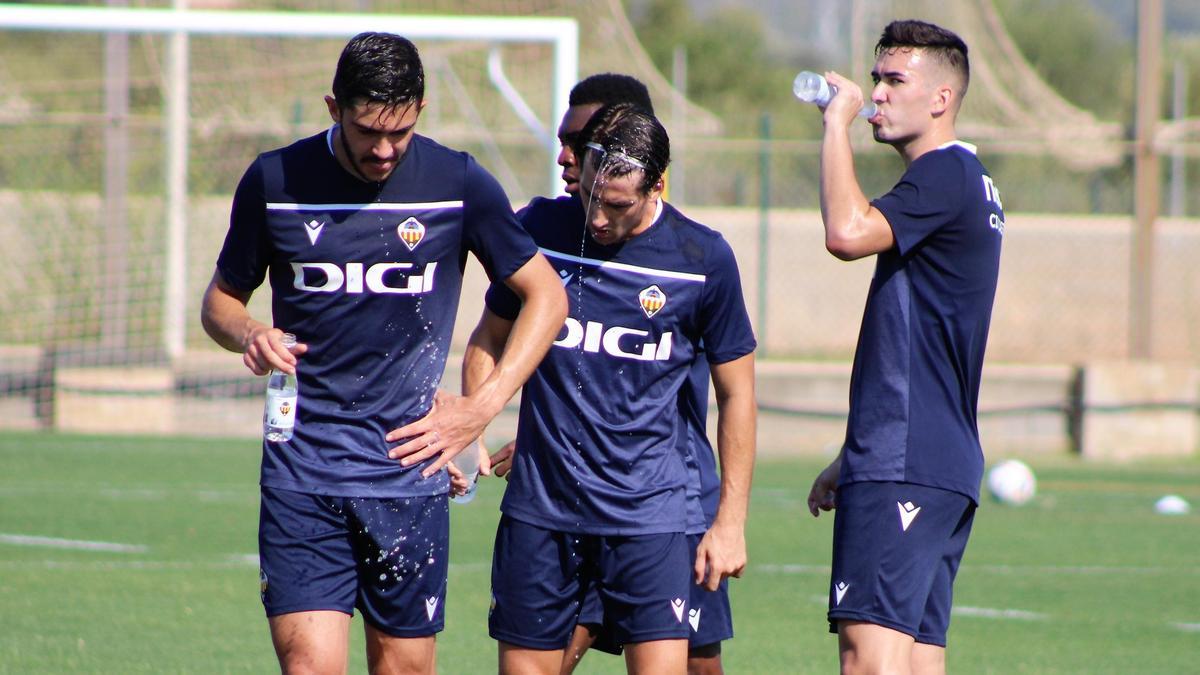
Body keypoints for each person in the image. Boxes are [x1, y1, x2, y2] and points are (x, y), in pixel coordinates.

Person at [199, 32, 567, 675]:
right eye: (368, 130)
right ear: (333, 107)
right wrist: (249, 333)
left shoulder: (457, 182)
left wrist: (480, 409)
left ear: (421, 109)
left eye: (399, 131)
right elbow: (219, 304)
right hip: (303, 470)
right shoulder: (275, 179)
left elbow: (547, 297)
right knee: (309, 666)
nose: (384, 149)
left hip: (407, 474)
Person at [472, 103, 757, 675]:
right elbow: (489, 337)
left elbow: (738, 395)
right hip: (541, 511)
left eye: (617, 205)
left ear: (656, 187)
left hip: (650, 518)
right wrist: (473, 425)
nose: (598, 218)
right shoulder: (541, 230)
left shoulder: (702, 259)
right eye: (590, 198)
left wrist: (729, 522)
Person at [803, 19, 1004, 675]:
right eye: (875, 79)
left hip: (908, 458)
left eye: (895, 81)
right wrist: (851, 451)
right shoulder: (962, 181)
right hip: (931, 456)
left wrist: (835, 125)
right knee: (916, 660)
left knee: (869, 659)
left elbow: (846, 231)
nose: (877, 95)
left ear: (941, 98)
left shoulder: (943, 174)